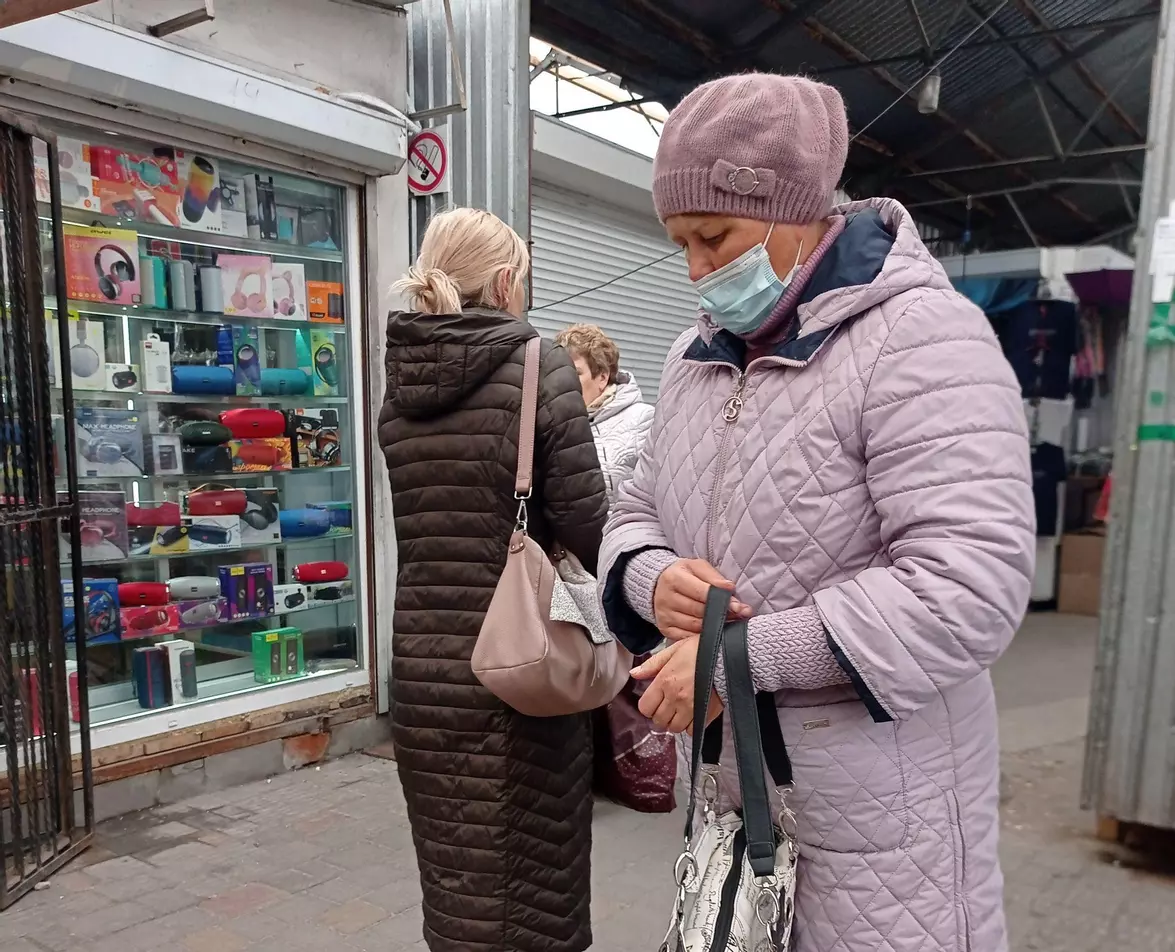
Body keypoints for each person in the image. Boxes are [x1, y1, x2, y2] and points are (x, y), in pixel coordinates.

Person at [599, 73, 1034, 952]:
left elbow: (968, 585)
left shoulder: (921, 338)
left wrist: (734, 656)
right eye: (677, 241)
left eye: (712, 236)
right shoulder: (697, 355)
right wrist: (651, 579)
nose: (694, 269)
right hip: (741, 795)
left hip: (884, 819)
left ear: (792, 208)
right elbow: (634, 506)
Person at [379, 207, 608, 952]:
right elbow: (583, 519)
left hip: (423, 669)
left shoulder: (400, 379)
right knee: (534, 879)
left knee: (456, 875)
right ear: (506, 281)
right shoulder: (538, 364)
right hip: (516, 660)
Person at [555, 323, 654, 502]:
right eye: (559, 371)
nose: (563, 380)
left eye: (575, 372)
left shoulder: (644, 420)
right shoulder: (550, 423)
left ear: (602, 377)